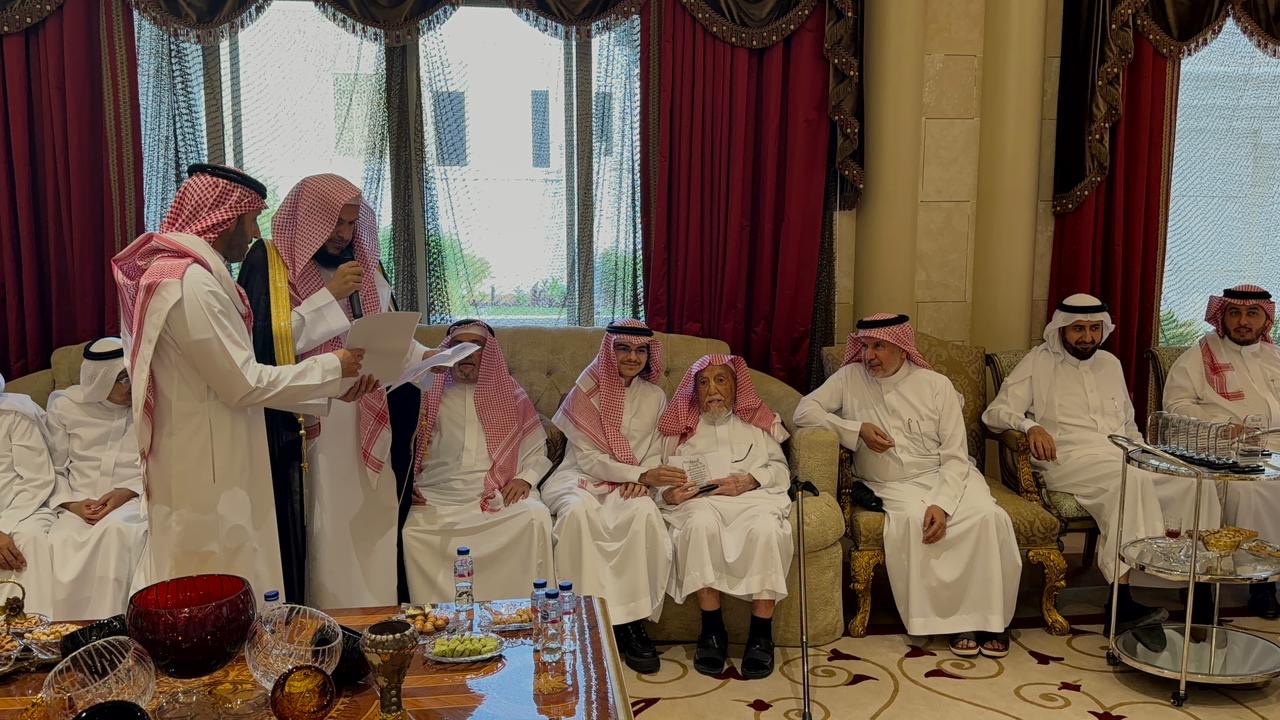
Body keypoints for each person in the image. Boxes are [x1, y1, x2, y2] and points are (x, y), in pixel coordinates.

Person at [111, 164, 365, 601]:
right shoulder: (189, 284)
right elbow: (243, 382)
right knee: (212, 587)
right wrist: (331, 370)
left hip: (211, 452)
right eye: (251, 219)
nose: (254, 233)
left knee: (226, 580)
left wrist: (333, 383)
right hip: (208, 470)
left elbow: (237, 368)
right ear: (226, 219)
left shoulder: (191, 275)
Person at [237, 174, 431, 607]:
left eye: (351, 223)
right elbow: (267, 345)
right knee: (329, 525)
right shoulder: (271, 264)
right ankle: (331, 620)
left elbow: (385, 331)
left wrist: (428, 355)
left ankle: (378, 612)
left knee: (373, 517)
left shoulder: (365, 263)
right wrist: (329, 295)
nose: (344, 234)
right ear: (311, 220)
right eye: (335, 224)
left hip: (370, 406)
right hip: (312, 416)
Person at [984, 295, 1221, 627]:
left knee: (1194, 480)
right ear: (1061, 329)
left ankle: (1199, 586)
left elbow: (1127, 423)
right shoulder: (1037, 362)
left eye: (1095, 329)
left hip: (1121, 454)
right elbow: (995, 414)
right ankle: (1120, 602)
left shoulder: (1110, 364)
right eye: (1078, 329)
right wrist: (1030, 426)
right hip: (1068, 460)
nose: (1087, 337)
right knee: (1131, 482)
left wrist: (1146, 455)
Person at [796, 314, 1021, 657]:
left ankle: (991, 620)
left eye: (878, 346)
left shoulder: (936, 385)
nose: (869, 355)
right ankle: (953, 621)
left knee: (987, 517)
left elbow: (956, 455)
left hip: (947, 474)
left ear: (902, 349)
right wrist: (855, 430)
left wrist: (942, 503)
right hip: (891, 485)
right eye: (865, 346)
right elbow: (803, 411)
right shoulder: (850, 377)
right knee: (917, 523)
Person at [543, 320, 678, 674]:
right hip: (579, 479)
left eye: (640, 350)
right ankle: (583, 620)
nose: (633, 357)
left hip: (632, 483)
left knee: (642, 514)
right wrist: (637, 475)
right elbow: (588, 458)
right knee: (577, 515)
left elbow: (656, 450)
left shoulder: (655, 396)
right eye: (624, 349)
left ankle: (631, 623)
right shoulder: (586, 391)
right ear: (609, 352)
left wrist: (644, 480)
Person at [656, 354, 792, 680]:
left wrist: (750, 480)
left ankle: (761, 634)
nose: (712, 390)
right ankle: (712, 630)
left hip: (753, 501)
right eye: (703, 383)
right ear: (695, 391)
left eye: (720, 380)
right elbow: (657, 479)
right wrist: (669, 495)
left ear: (735, 386)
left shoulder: (757, 424)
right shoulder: (678, 431)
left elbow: (780, 470)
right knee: (698, 525)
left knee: (767, 530)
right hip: (701, 504)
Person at [401, 320, 555, 604]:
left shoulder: (511, 395)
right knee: (412, 532)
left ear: (490, 353)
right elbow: (402, 448)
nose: (466, 353)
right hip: (437, 494)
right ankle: (439, 618)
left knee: (535, 517)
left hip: (494, 493)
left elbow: (536, 449)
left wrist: (525, 479)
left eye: (476, 346)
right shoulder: (426, 393)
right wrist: (405, 486)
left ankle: (519, 611)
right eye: (458, 346)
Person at [1164, 284, 1280, 618]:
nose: (1243, 321)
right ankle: (1260, 586)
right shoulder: (1199, 355)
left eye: (1252, 314)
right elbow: (1175, 406)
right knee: (1250, 491)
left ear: (1265, 320)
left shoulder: (1275, 357)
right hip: (1224, 451)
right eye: (1235, 313)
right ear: (1222, 316)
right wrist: (1221, 426)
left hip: (1275, 449)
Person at [43, 338, 148, 619]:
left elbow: (163, 462)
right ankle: (70, 628)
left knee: (119, 532)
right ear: (99, 379)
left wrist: (129, 491)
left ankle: (116, 626)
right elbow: (54, 468)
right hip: (79, 502)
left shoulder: (149, 404)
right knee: (61, 539)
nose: (130, 385)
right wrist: (72, 504)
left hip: (133, 500)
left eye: (131, 375)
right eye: (121, 379)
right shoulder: (65, 406)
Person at [0, 373, 55, 618]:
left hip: (23, 509)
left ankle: (35, 630)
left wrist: (3, 528)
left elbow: (36, 480)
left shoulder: (15, 413)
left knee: (27, 539)